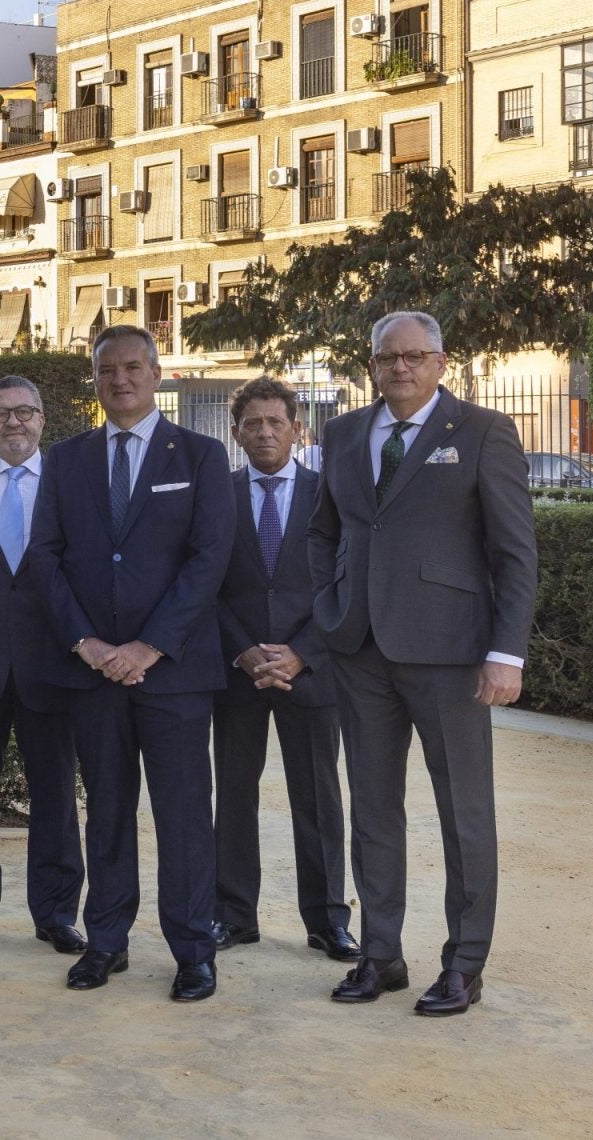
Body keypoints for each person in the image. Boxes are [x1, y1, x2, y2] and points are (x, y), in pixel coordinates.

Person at [309, 310, 536, 1016]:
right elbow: (322, 531)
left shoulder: (483, 431)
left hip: (452, 655)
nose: (400, 368)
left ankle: (464, 964)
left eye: (414, 356)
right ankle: (381, 955)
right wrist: (330, 604)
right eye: (388, 357)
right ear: (372, 365)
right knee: (373, 809)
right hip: (361, 652)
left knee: (463, 812)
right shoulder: (343, 433)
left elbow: (514, 552)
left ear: (441, 362)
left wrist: (506, 652)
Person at [27, 325, 235, 1002]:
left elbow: (209, 560)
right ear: (94, 379)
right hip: (93, 674)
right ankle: (106, 942)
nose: (119, 380)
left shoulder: (200, 455)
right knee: (108, 812)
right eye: (106, 370)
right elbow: (45, 556)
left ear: (157, 373)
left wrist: (150, 646)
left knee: (183, 817)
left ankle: (193, 952)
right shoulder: (67, 459)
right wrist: (86, 644)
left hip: (173, 674)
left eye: (132, 368)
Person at [213, 377, 356, 961]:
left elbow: (346, 581)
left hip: (311, 672)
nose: (265, 432)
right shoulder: (216, 495)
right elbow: (204, 583)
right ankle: (232, 916)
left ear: (298, 429)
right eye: (253, 423)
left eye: (276, 422)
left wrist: (302, 652)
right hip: (238, 671)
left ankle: (327, 921)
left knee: (318, 799)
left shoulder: (329, 494)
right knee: (233, 796)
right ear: (236, 432)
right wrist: (243, 650)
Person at [0, 375, 86, 954]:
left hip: (52, 664)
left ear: (42, 420)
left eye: (25, 411)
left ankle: (55, 914)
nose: (14, 422)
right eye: (1, 413)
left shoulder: (71, 485)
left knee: (54, 795)